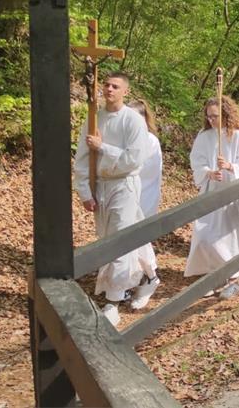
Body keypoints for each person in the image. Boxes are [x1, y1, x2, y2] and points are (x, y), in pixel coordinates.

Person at [74, 73, 159, 323]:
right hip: (100, 185)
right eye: (107, 85)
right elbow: (82, 157)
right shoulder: (94, 118)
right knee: (106, 239)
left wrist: (103, 147)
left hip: (124, 185)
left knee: (120, 240)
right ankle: (148, 276)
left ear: (125, 92)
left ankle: (113, 300)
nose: (109, 89)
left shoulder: (133, 121)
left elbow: (134, 158)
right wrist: (85, 191)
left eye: (115, 86)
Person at [187, 96, 239, 299]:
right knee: (204, 236)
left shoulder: (238, 137)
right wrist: (209, 172)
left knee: (225, 239)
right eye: (208, 116)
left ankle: (232, 279)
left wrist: (230, 166)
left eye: (215, 116)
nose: (211, 120)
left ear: (225, 114)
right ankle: (211, 276)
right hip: (210, 191)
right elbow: (196, 161)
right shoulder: (204, 135)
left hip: (230, 193)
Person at [127, 99, 162, 310]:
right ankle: (129, 281)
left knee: (137, 239)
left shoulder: (150, 140)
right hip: (125, 195)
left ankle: (150, 276)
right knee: (125, 242)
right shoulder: (125, 137)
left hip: (144, 195)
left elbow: (142, 169)